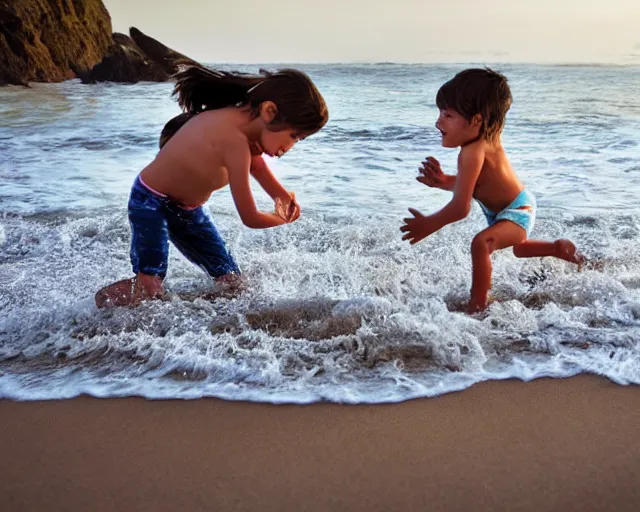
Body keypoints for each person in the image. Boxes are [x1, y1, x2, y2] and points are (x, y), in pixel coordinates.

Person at [95, 65, 329, 308]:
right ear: (269, 111)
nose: (290, 147)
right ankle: (95, 313)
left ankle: (199, 315)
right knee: (150, 284)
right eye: (294, 137)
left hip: (187, 210)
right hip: (150, 202)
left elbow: (257, 166)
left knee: (232, 283)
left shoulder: (245, 127)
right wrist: (282, 218)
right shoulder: (234, 141)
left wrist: (281, 196)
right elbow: (249, 217)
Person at [400, 68, 584, 313]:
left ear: (476, 120)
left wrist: (429, 224)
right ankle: (558, 248)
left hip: (518, 209)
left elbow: (461, 208)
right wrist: (443, 181)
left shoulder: (472, 152)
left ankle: (478, 304)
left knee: (481, 243)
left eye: (448, 115)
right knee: (519, 248)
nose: (438, 122)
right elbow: (477, 184)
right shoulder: (483, 141)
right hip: (512, 205)